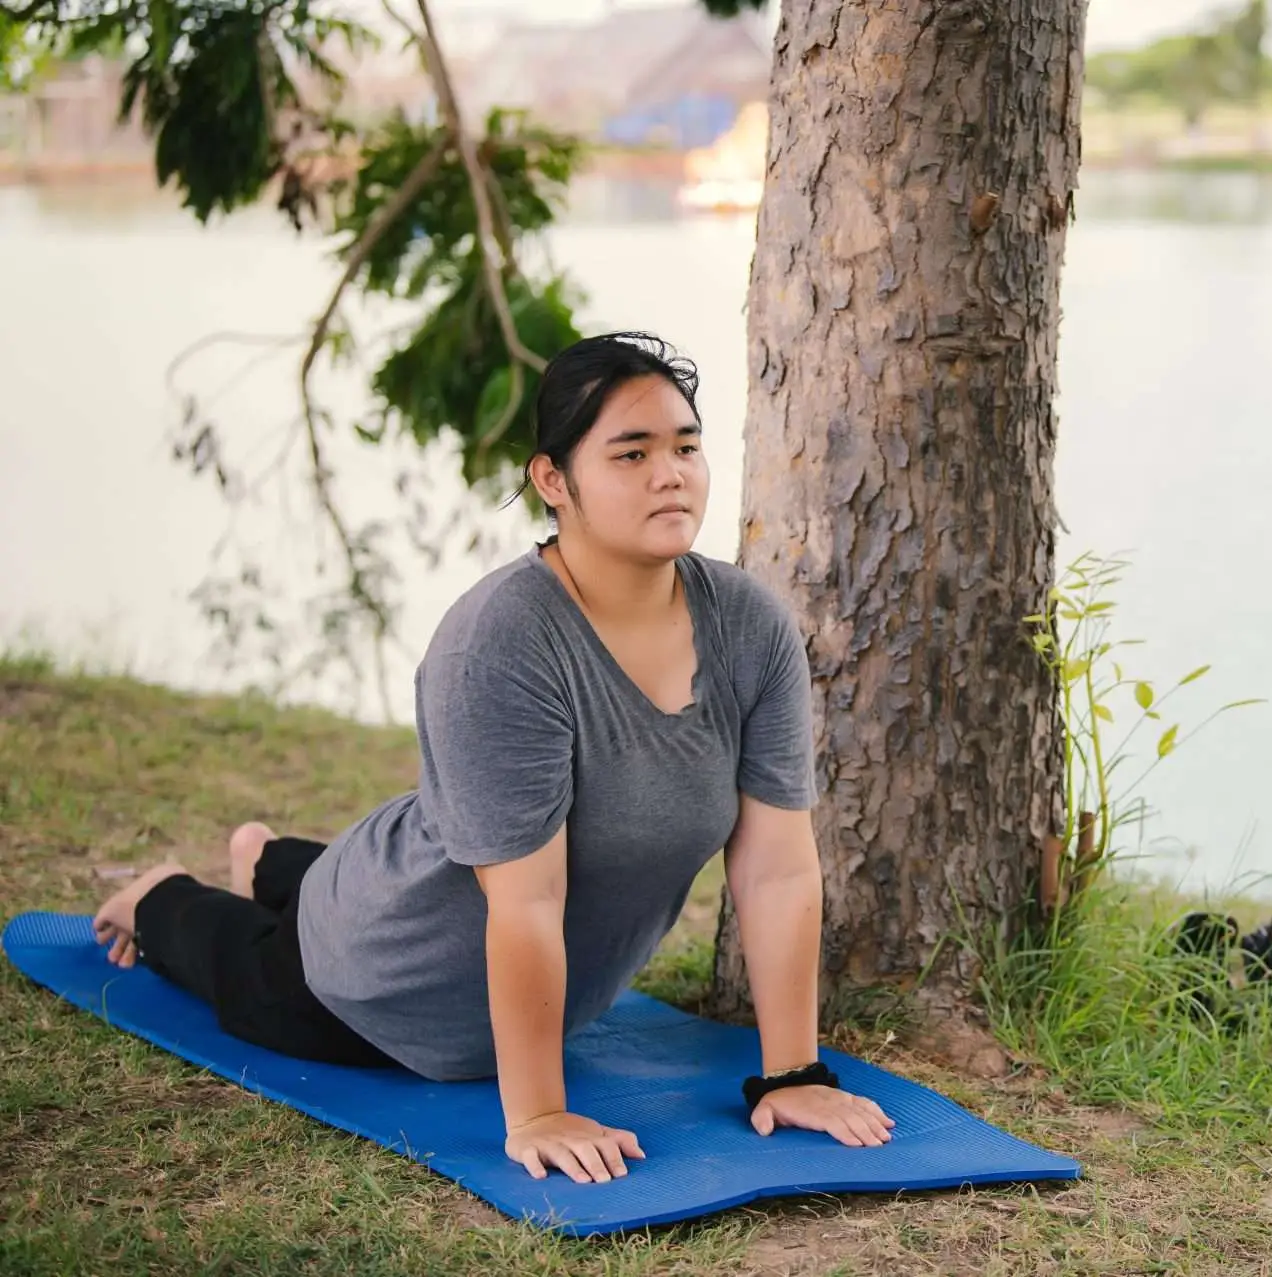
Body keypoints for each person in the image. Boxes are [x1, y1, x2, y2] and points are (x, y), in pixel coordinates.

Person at [90, 331, 895, 1185]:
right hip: (380, 975)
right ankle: (164, 894)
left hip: (458, 885)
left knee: (411, 852)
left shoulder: (749, 625)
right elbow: (528, 897)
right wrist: (540, 1111)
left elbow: (775, 867)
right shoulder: (501, 643)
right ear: (553, 480)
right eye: (632, 453)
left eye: (686, 447)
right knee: (245, 973)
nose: (672, 473)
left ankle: (273, 858)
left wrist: (793, 1073)